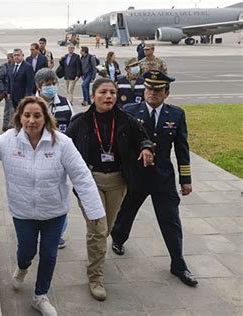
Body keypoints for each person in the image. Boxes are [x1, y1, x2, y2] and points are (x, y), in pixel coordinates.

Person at [0, 96, 105, 316]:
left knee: (49, 254)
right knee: (26, 251)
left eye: (37, 115)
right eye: (27, 115)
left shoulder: (62, 143)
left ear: (45, 118)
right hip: (23, 212)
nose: (31, 121)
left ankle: (40, 296)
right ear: (19, 117)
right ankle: (23, 267)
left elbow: (82, 175)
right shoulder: (9, 140)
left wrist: (94, 210)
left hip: (54, 212)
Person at [66, 77, 154, 301]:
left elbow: (143, 139)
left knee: (106, 227)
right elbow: (64, 148)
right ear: (93, 96)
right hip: (89, 183)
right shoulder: (80, 122)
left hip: (117, 181)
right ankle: (95, 276)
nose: (108, 97)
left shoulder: (127, 120)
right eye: (103, 92)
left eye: (112, 93)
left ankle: (96, 252)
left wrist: (146, 149)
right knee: (98, 229)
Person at [111, 70, 198, 288]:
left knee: (171, 220)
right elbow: (120, 145)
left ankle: (178, 263)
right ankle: (118, 238)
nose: (152, 94)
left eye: (158, 90)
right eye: (149, 89)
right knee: (127, 210)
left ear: (166, 93)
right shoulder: (130, 111)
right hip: (136, 176)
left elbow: (182, 148)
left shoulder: (176, 114)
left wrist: (185, 179)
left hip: (163, 178)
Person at [35, 68, 75, 249]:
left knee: (60, 196)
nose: (51, 88)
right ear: (39, 86)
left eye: (53, 84)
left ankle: (57, 233)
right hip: (37, 159)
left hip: (60, 160)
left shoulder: (65, 103)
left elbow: (74, 127)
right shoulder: (31, 105)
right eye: (47, 85)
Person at [0, 53, 14, 131]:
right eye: (12, 56)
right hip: (7, 92)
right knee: (11, 110)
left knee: (8, 109)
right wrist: (3, 90)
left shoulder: (14, 66)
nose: (14, 58)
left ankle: (6, 126)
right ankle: (9, 127)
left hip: (13, 92)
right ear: (8, 58)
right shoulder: (4, 67)